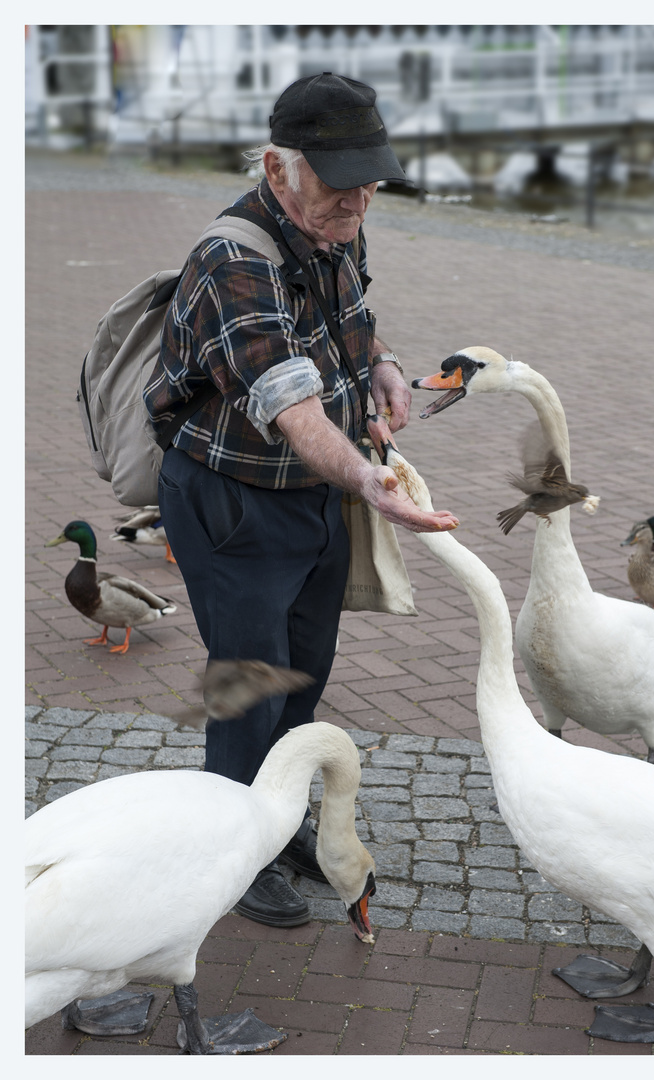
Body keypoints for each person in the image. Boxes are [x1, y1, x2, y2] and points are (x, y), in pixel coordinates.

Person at [145, 72, 458, 928]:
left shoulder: (338, 222)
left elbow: (349, 313)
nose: (357, 198)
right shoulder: (233, 257)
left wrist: (382, 363)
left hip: (309, 497)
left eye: (368, 178)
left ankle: (276, 821)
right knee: (249, 684)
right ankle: (232, 853)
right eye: (337, 179)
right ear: (280, 168)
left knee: (304, 677)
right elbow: (287, 402)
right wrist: (363, 477)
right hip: (233, 498)